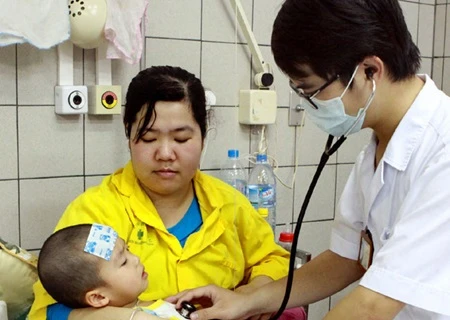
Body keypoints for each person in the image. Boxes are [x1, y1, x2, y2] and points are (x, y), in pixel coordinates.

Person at [168, 0, 450, 319]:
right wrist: (247, 300)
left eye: (312, 90)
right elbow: (348, 258)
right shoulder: (379, 146)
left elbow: (374, 304)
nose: (308, 104)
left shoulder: (442, 151)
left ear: (370, 70)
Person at [29, 66, 291, 320]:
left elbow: (273, 260)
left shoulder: (228, 204)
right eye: (148, 138)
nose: (165, 154)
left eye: (181, 139)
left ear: (203, 136)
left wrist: (249, 294)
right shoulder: (97, 214)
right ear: (128, 133)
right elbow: (50, 310)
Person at [37, 223, 192, 319]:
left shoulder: (148, 306)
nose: (135, 259)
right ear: (98, 297)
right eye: (123, 262)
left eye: (128, 249)